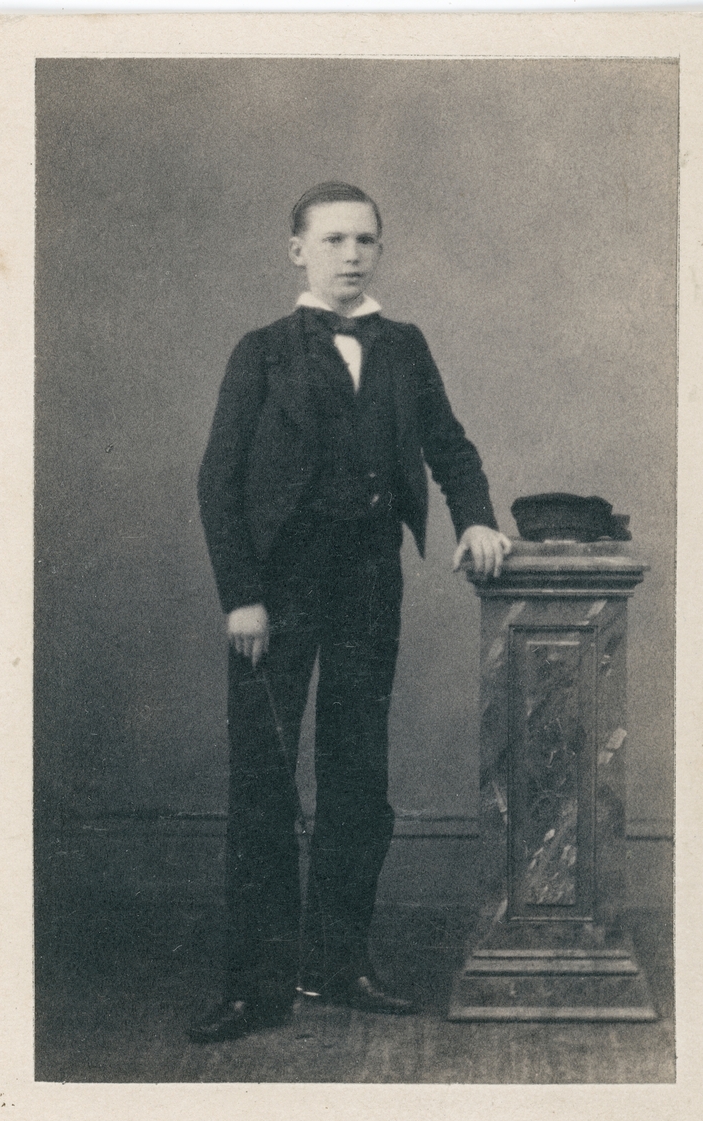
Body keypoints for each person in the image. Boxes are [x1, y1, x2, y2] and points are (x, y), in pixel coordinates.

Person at [192, 182, 511, 1042]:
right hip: (276, 591)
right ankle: (255, 986)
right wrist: (242, 597)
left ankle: (339, 964)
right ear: (297, 249)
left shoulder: (404, 346)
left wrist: (476, 518)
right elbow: (219, 482)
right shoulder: (260, 352)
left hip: (370, 582)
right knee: (264, 782)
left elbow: (450, 446)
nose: (352, 255)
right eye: (333, 240)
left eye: (365, 240)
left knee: (358, 779)